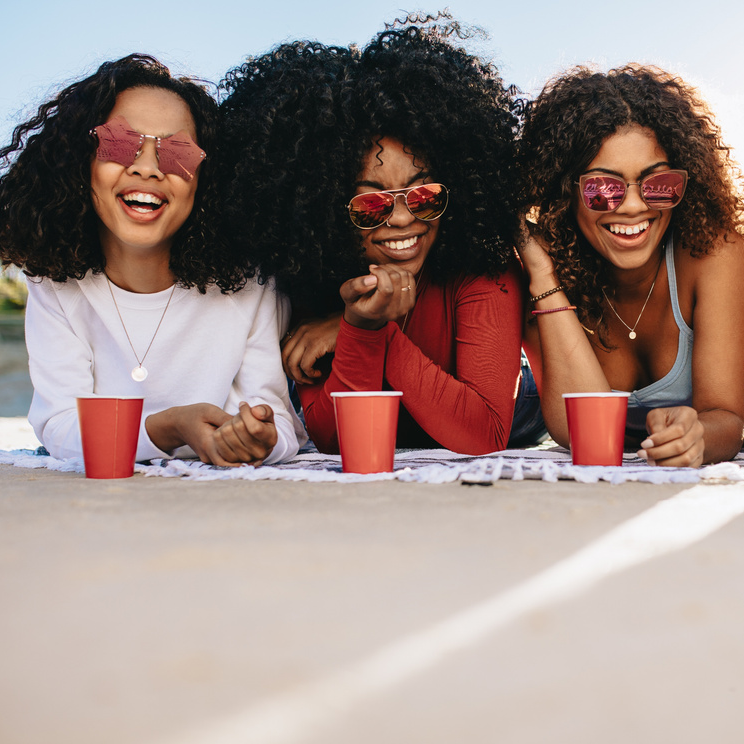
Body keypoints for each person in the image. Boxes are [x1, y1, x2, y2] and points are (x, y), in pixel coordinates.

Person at [218, 22, 530, 456]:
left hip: (514, 413)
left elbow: (485, 434)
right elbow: (333, 439)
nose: (403, 218)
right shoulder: (314, 277)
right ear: (324, 208)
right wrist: (361, 325)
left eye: (423, 195)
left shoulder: (482, 267)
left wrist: (365, 330)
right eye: (371, 206)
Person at [0, 55, 303, 466]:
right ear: (80, 161)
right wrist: (167, 427)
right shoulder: (55, 286)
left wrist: (259, 438)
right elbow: (61, 427)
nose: (148, 168)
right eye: (118, 143)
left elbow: (280, 425)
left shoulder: (250, 285)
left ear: (206, 178)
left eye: (177, 153)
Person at [517, 65, 744, 468]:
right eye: (603, 188)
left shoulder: (717, 255)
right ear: (564, 191)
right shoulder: (542, 272)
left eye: (658, 184)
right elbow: (575, 430)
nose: (634, 206)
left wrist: (697, 435)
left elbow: (726, 419)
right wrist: (545, 278)